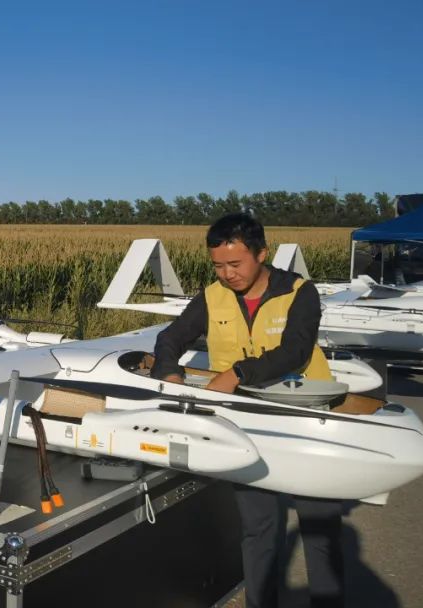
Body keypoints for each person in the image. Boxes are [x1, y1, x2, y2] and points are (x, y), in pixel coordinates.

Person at [150, 213, 345, 608]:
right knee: (260, 527)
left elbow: (296, 350)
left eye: (235, 264)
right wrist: (168, 372)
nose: (227, 274)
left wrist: (239, 373)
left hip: (305, 420)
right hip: (246, 424)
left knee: (319, 527)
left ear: (261, 254)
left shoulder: (299, 292)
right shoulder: (212, 296)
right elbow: (170, 338)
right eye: (218, 266)